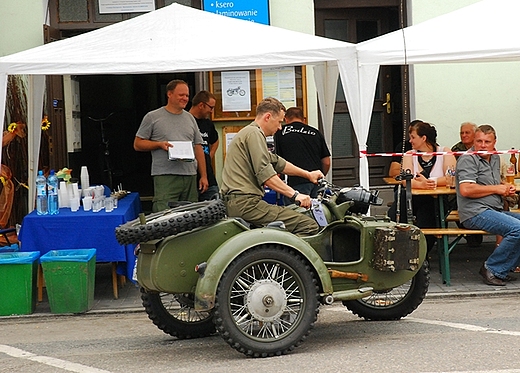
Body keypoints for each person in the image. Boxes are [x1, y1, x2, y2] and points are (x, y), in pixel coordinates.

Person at [220, 97, 324, 236]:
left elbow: (277, 163)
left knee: (293, 215)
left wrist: (308, 174)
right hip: (246, 204)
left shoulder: (251, 134)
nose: (280, 127)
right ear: (268, 117)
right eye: (279, 121)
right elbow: (266, 175)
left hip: (240, 203)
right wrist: (296, 195)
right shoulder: (254, 134)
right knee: (308, 225)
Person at [456, 124, 520, 286]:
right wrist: (497, 188)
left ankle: (504, 269)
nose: (483, 145)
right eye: (479, 141)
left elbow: (491, 183)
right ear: (474, 142)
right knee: (517, 228)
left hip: (494, 209)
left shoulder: (495, 157)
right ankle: (492, 268)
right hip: (475, 212)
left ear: (494, 142)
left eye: (487, 142)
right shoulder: (467, 159)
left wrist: (505, 186)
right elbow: (466, 189)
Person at [134, 79, 208, 212]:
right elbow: (138, 144)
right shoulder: (153, 117)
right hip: (165, 175)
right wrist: (159, 144)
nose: (185, 98)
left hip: (190, 175)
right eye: (181, 95)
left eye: (187, 95)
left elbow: (198, 147)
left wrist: (203, 176)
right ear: (169, 94)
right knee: (164, 215)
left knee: (191, 216)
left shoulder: (190, 118)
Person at [388, 121, 456, 253]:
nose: (410, 141)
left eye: (413, 137)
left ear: (423, 138)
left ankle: (421, 256)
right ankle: (400, 252)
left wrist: (431, 182)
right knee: (396, 213)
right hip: (413, 199)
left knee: (428, 221)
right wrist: (422, 184)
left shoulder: (445, 152)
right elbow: (405, 179)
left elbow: (451, 178)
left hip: (436, 199)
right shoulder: (409, 154)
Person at [273, 107, 330, 205]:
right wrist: (319, 176)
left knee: (297, 216)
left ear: (286, 119)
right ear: (303, 119)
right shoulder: (315, 132)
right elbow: (326, 161)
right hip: (317, 181)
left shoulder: (280, 133)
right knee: (318, 214)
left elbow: (278, 161)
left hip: (295, 182)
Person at [189, 90, 220, 201]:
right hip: (191, 176)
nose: (212, 112)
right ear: (201, 105)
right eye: (211, 108)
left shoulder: (207, 123)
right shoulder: (186, 121)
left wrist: (210, 155)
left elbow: (215, 140)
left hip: (209, 176)